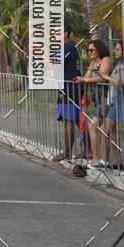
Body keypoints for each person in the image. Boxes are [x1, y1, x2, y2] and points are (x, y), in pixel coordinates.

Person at [74, 39, 113, 168]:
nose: (89, 52)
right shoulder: (93, 62)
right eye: (88, 50)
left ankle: (96, 158)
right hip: (97, 99)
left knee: (92, 127)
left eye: (91, 50)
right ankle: (108, 160)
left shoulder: (105, 59)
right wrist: (85, 77)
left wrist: (85, 79)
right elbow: (86, 77)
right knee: (108, 132)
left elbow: (102, 77)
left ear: (99, 49)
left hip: (106, 98)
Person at [101, 41, 124, 170]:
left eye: (118, 50)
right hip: (116, 101)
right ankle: (111, 161)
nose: (115, 52)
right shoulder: (118, 64)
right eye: (115, 49)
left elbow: (123, 83)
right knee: (106, 129)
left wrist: (107, 77)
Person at [53, 24, 82, 162]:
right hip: (66, 87)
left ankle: (68, 153)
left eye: (57, 32)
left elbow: (55, 63)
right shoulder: (64, 47)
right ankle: (87, 150)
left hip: (70, 88)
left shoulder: (69, 47)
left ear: (65, 34)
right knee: (75, 120)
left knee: (69, 120)